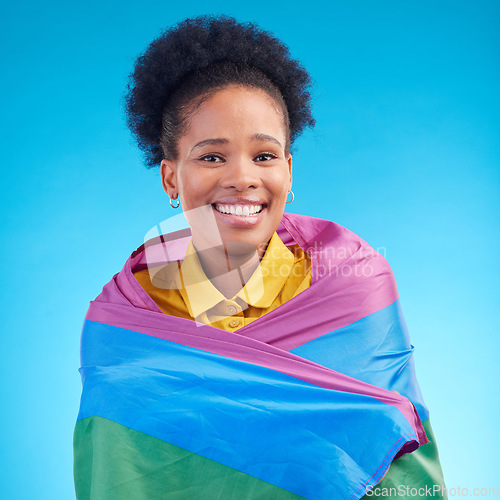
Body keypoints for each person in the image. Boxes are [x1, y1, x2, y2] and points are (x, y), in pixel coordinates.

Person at [74, 15, 447, 499]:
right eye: (212, 157)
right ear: (170, 178)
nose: (243, 177)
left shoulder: (354, 286)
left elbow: (397, 457)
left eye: (265, 156)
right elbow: (117, 473)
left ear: (288, 172)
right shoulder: (124, 323)